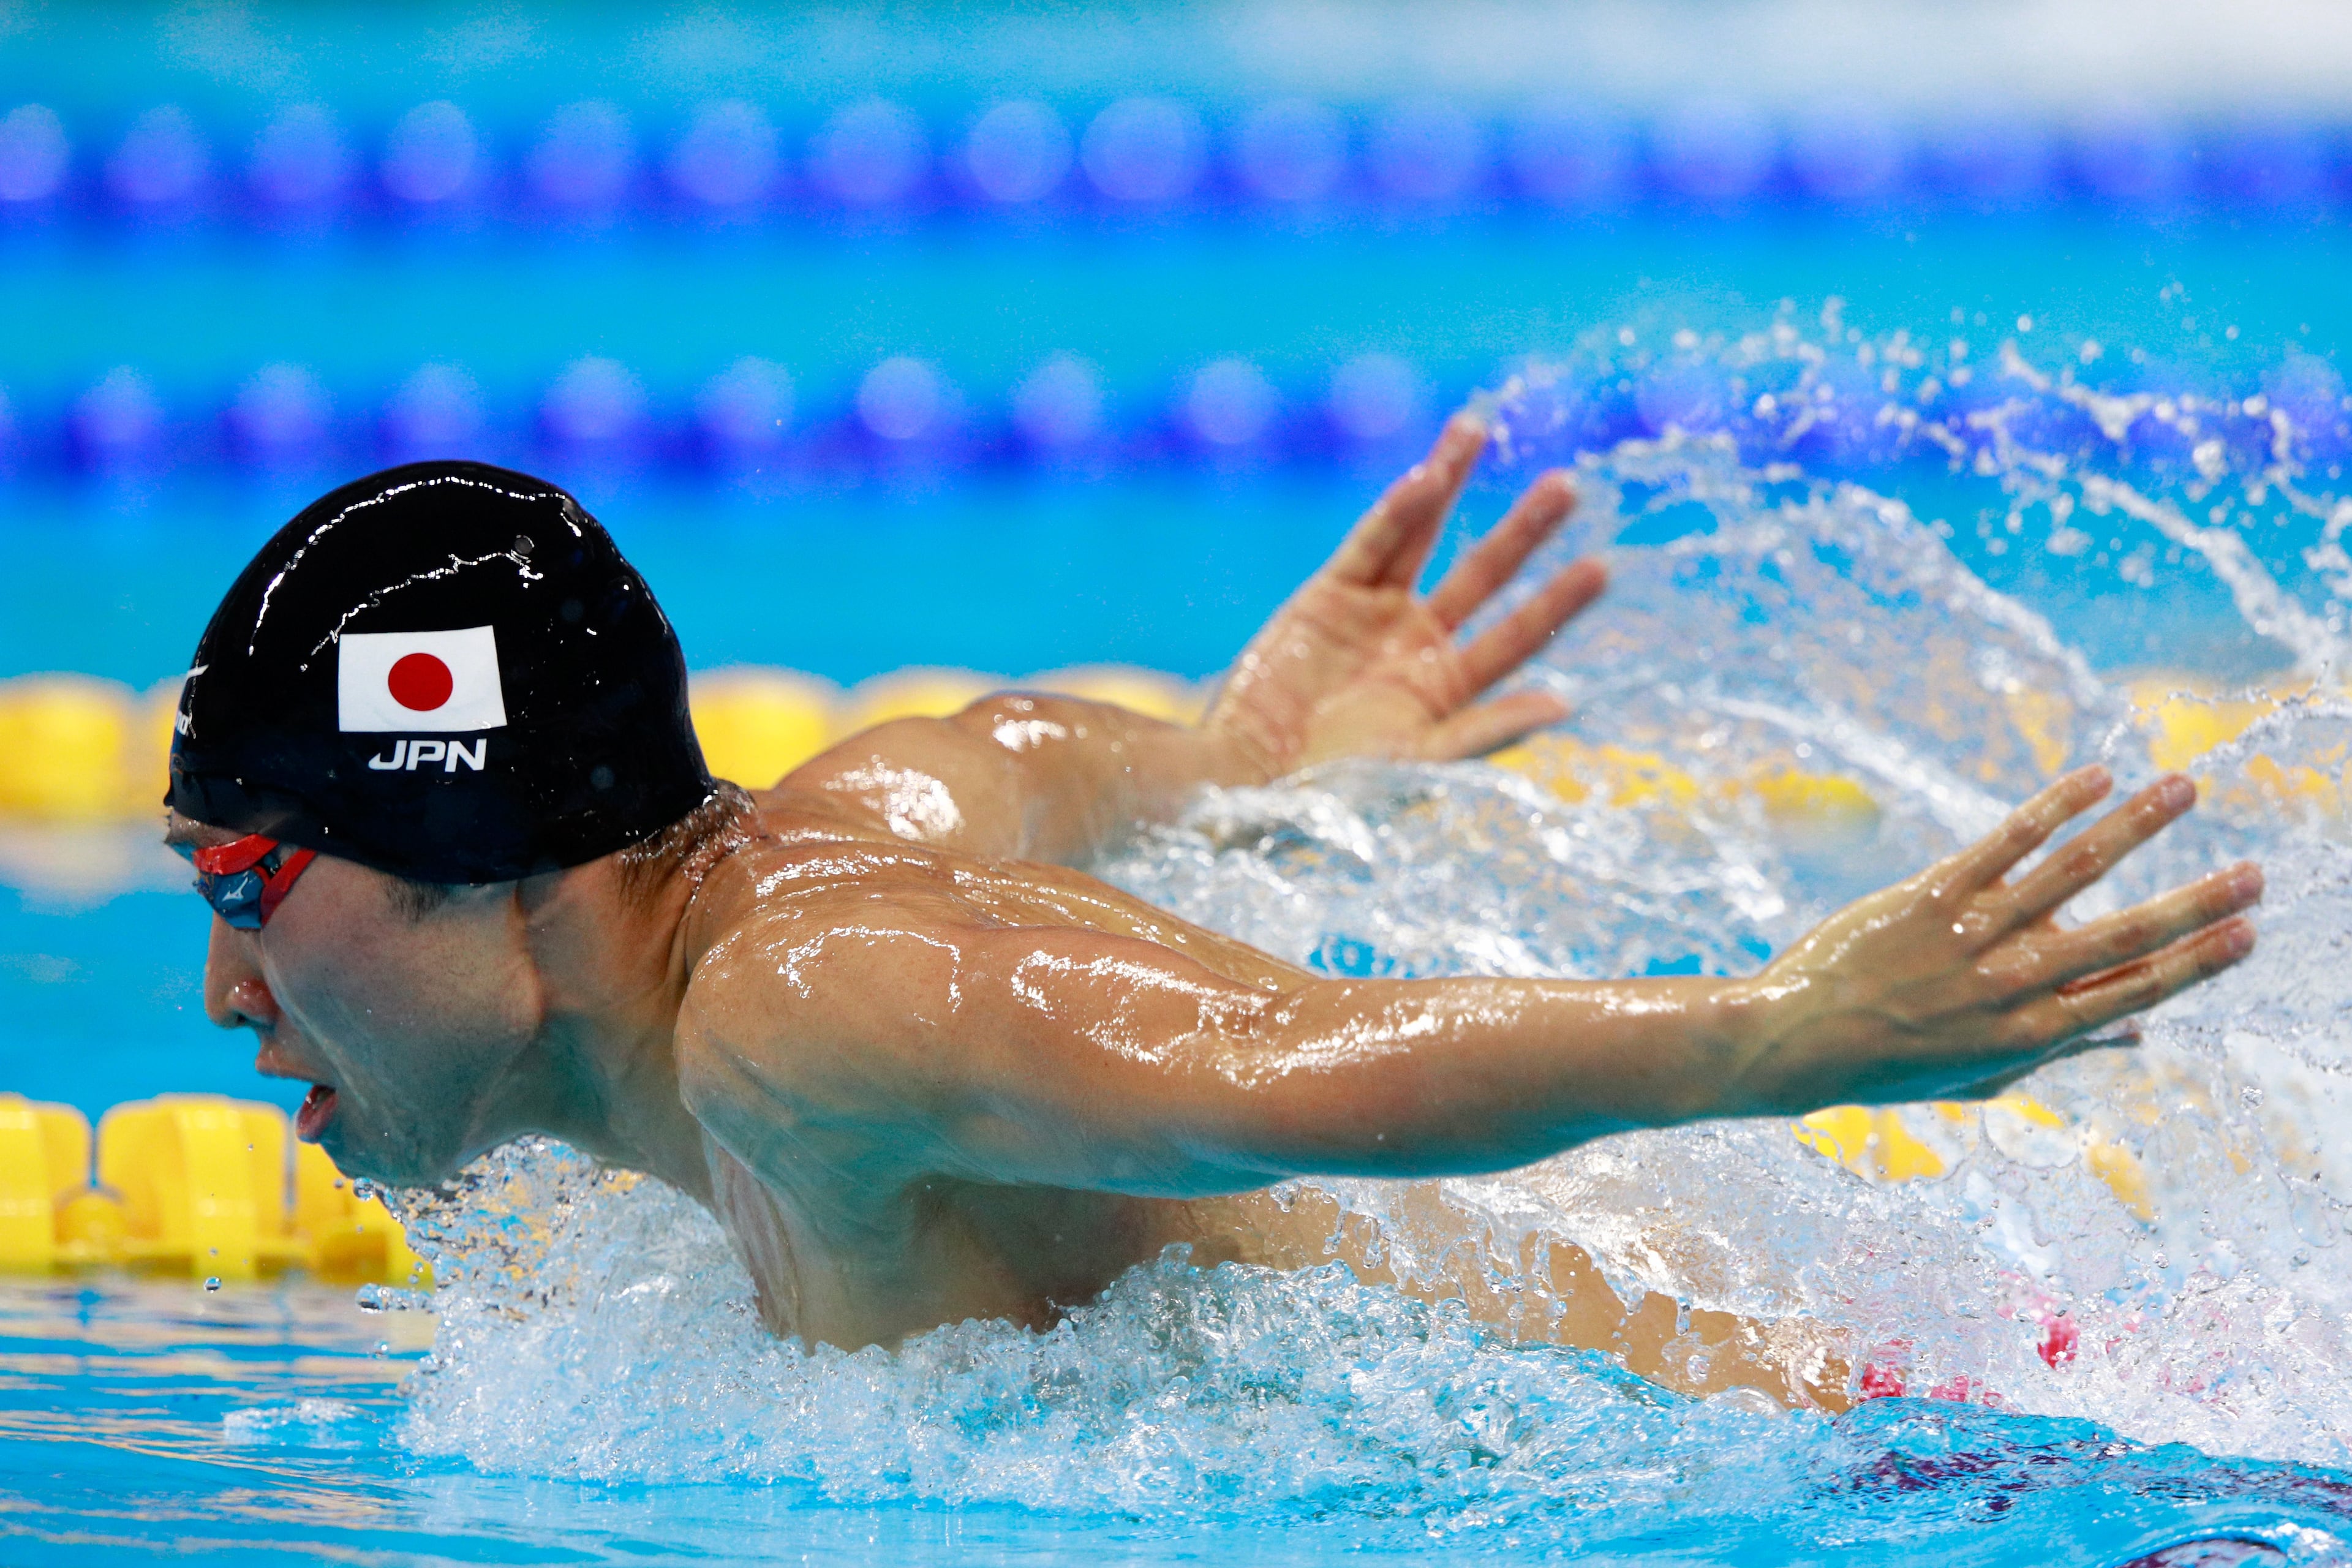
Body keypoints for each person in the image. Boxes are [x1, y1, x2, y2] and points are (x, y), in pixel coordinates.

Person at [166, 419, 2262, 1409]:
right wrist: (1258, 756)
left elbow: (1268, 1068)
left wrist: (1774, 1031)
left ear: (482, 859)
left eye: (254, 878)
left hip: (1907, 1472)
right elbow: (1014, 751)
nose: (223, 985)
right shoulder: (834, 830)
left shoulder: (800, 1012)